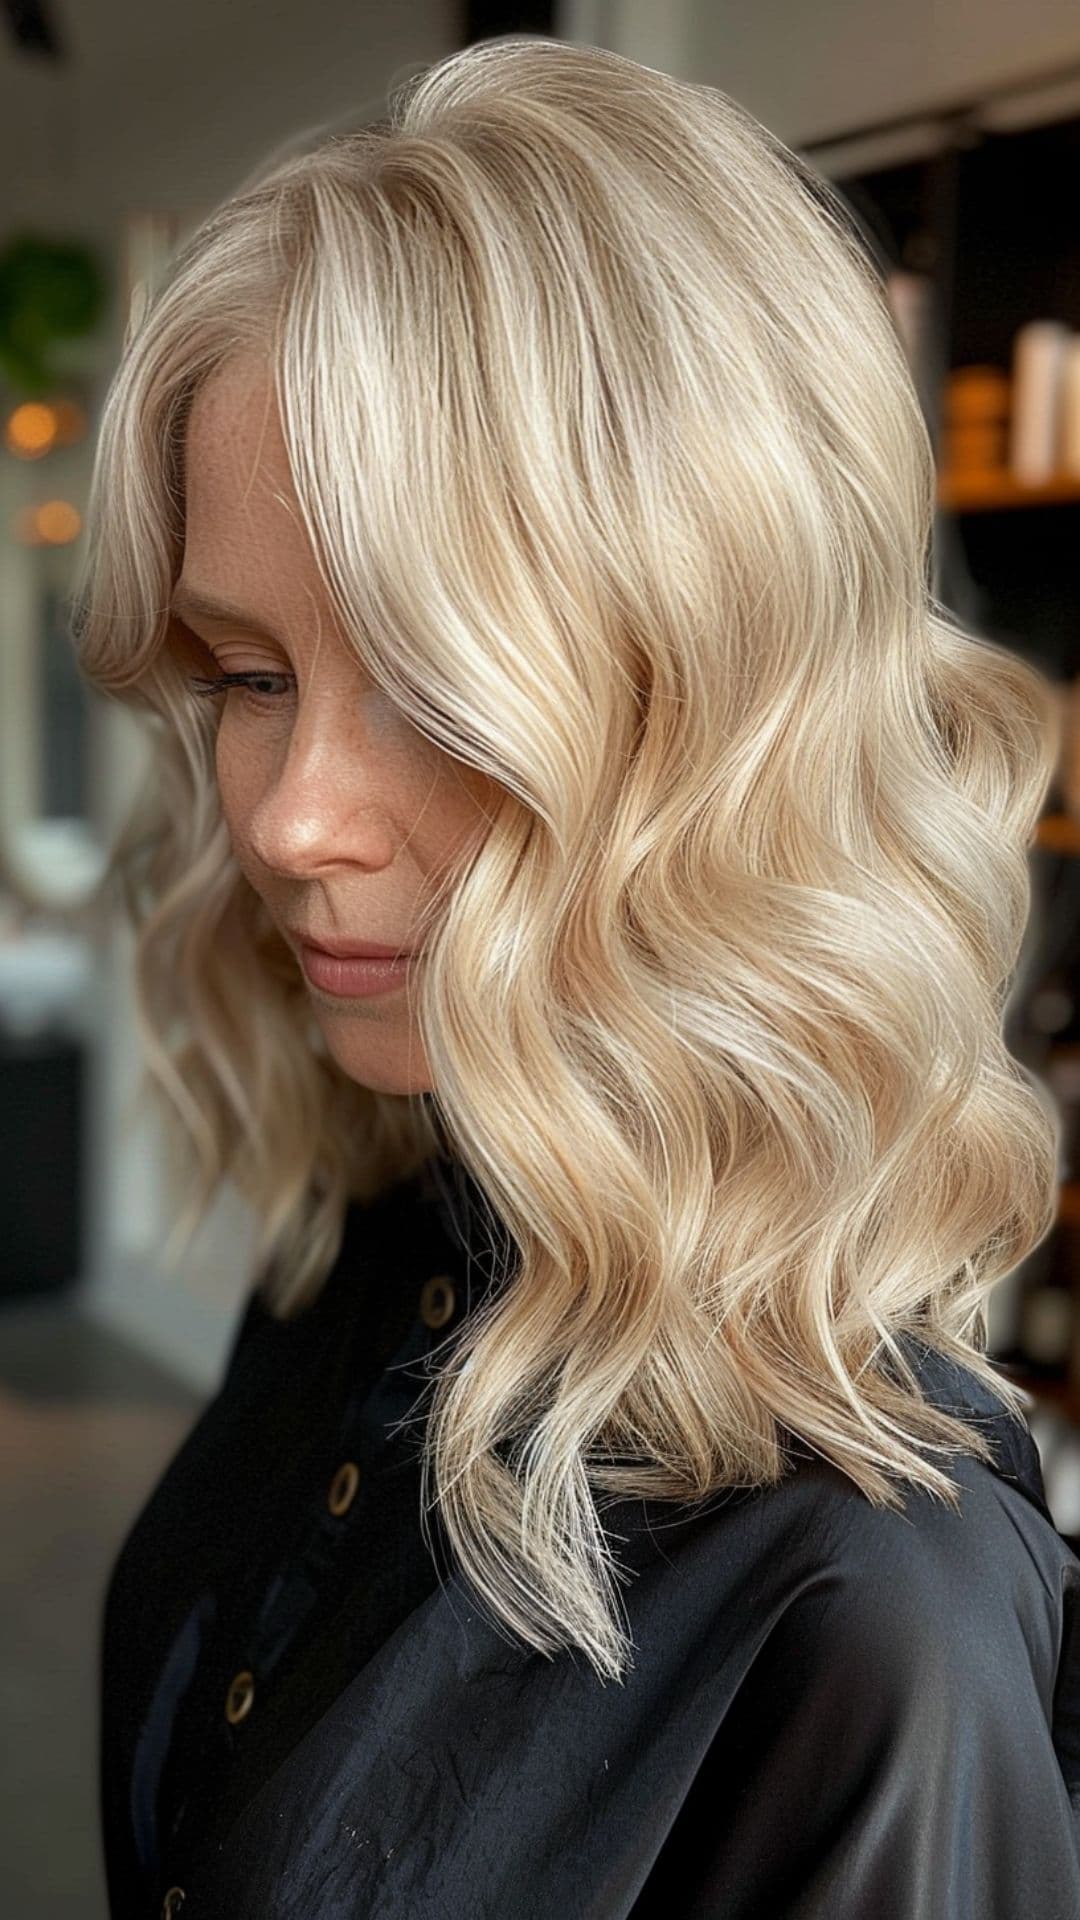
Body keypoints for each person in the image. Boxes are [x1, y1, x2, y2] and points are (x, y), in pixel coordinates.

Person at [71, 33, 1080, 1920]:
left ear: (718, 722)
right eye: (253, 674)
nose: (290, 821)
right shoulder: (374, 1241)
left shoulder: (871, 1621)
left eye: (441, 691)